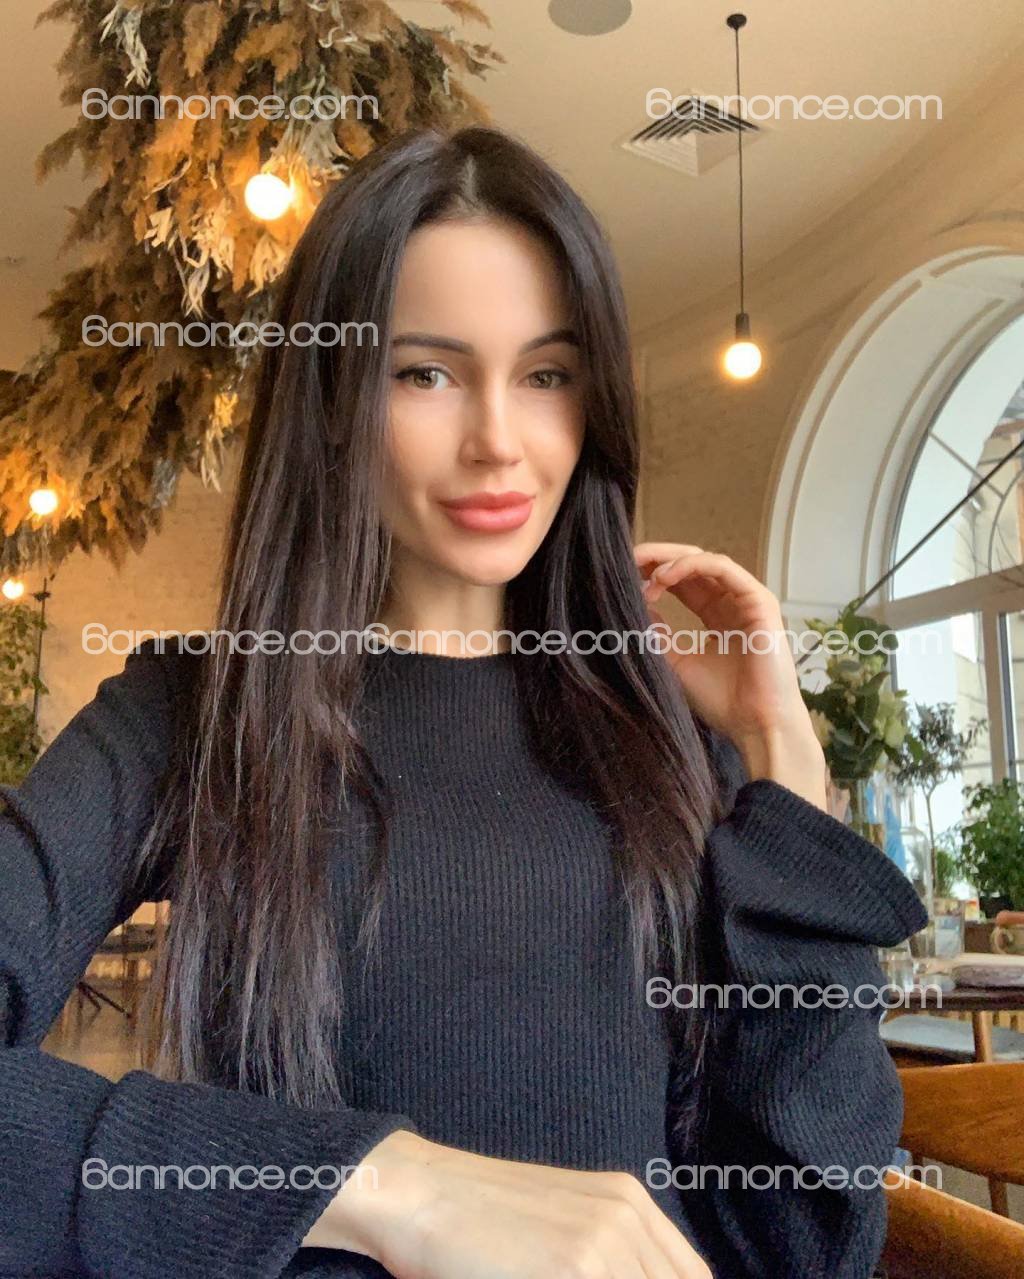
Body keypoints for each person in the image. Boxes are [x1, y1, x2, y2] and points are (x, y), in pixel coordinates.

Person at [1, 125, 926, 1279]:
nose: (498, 442)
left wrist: (780, 754)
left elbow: (807, 1240)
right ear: (333, 398)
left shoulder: (671, 742)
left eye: (547, 375)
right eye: (424, 373)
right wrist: (387, 1184)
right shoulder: (196, 710)